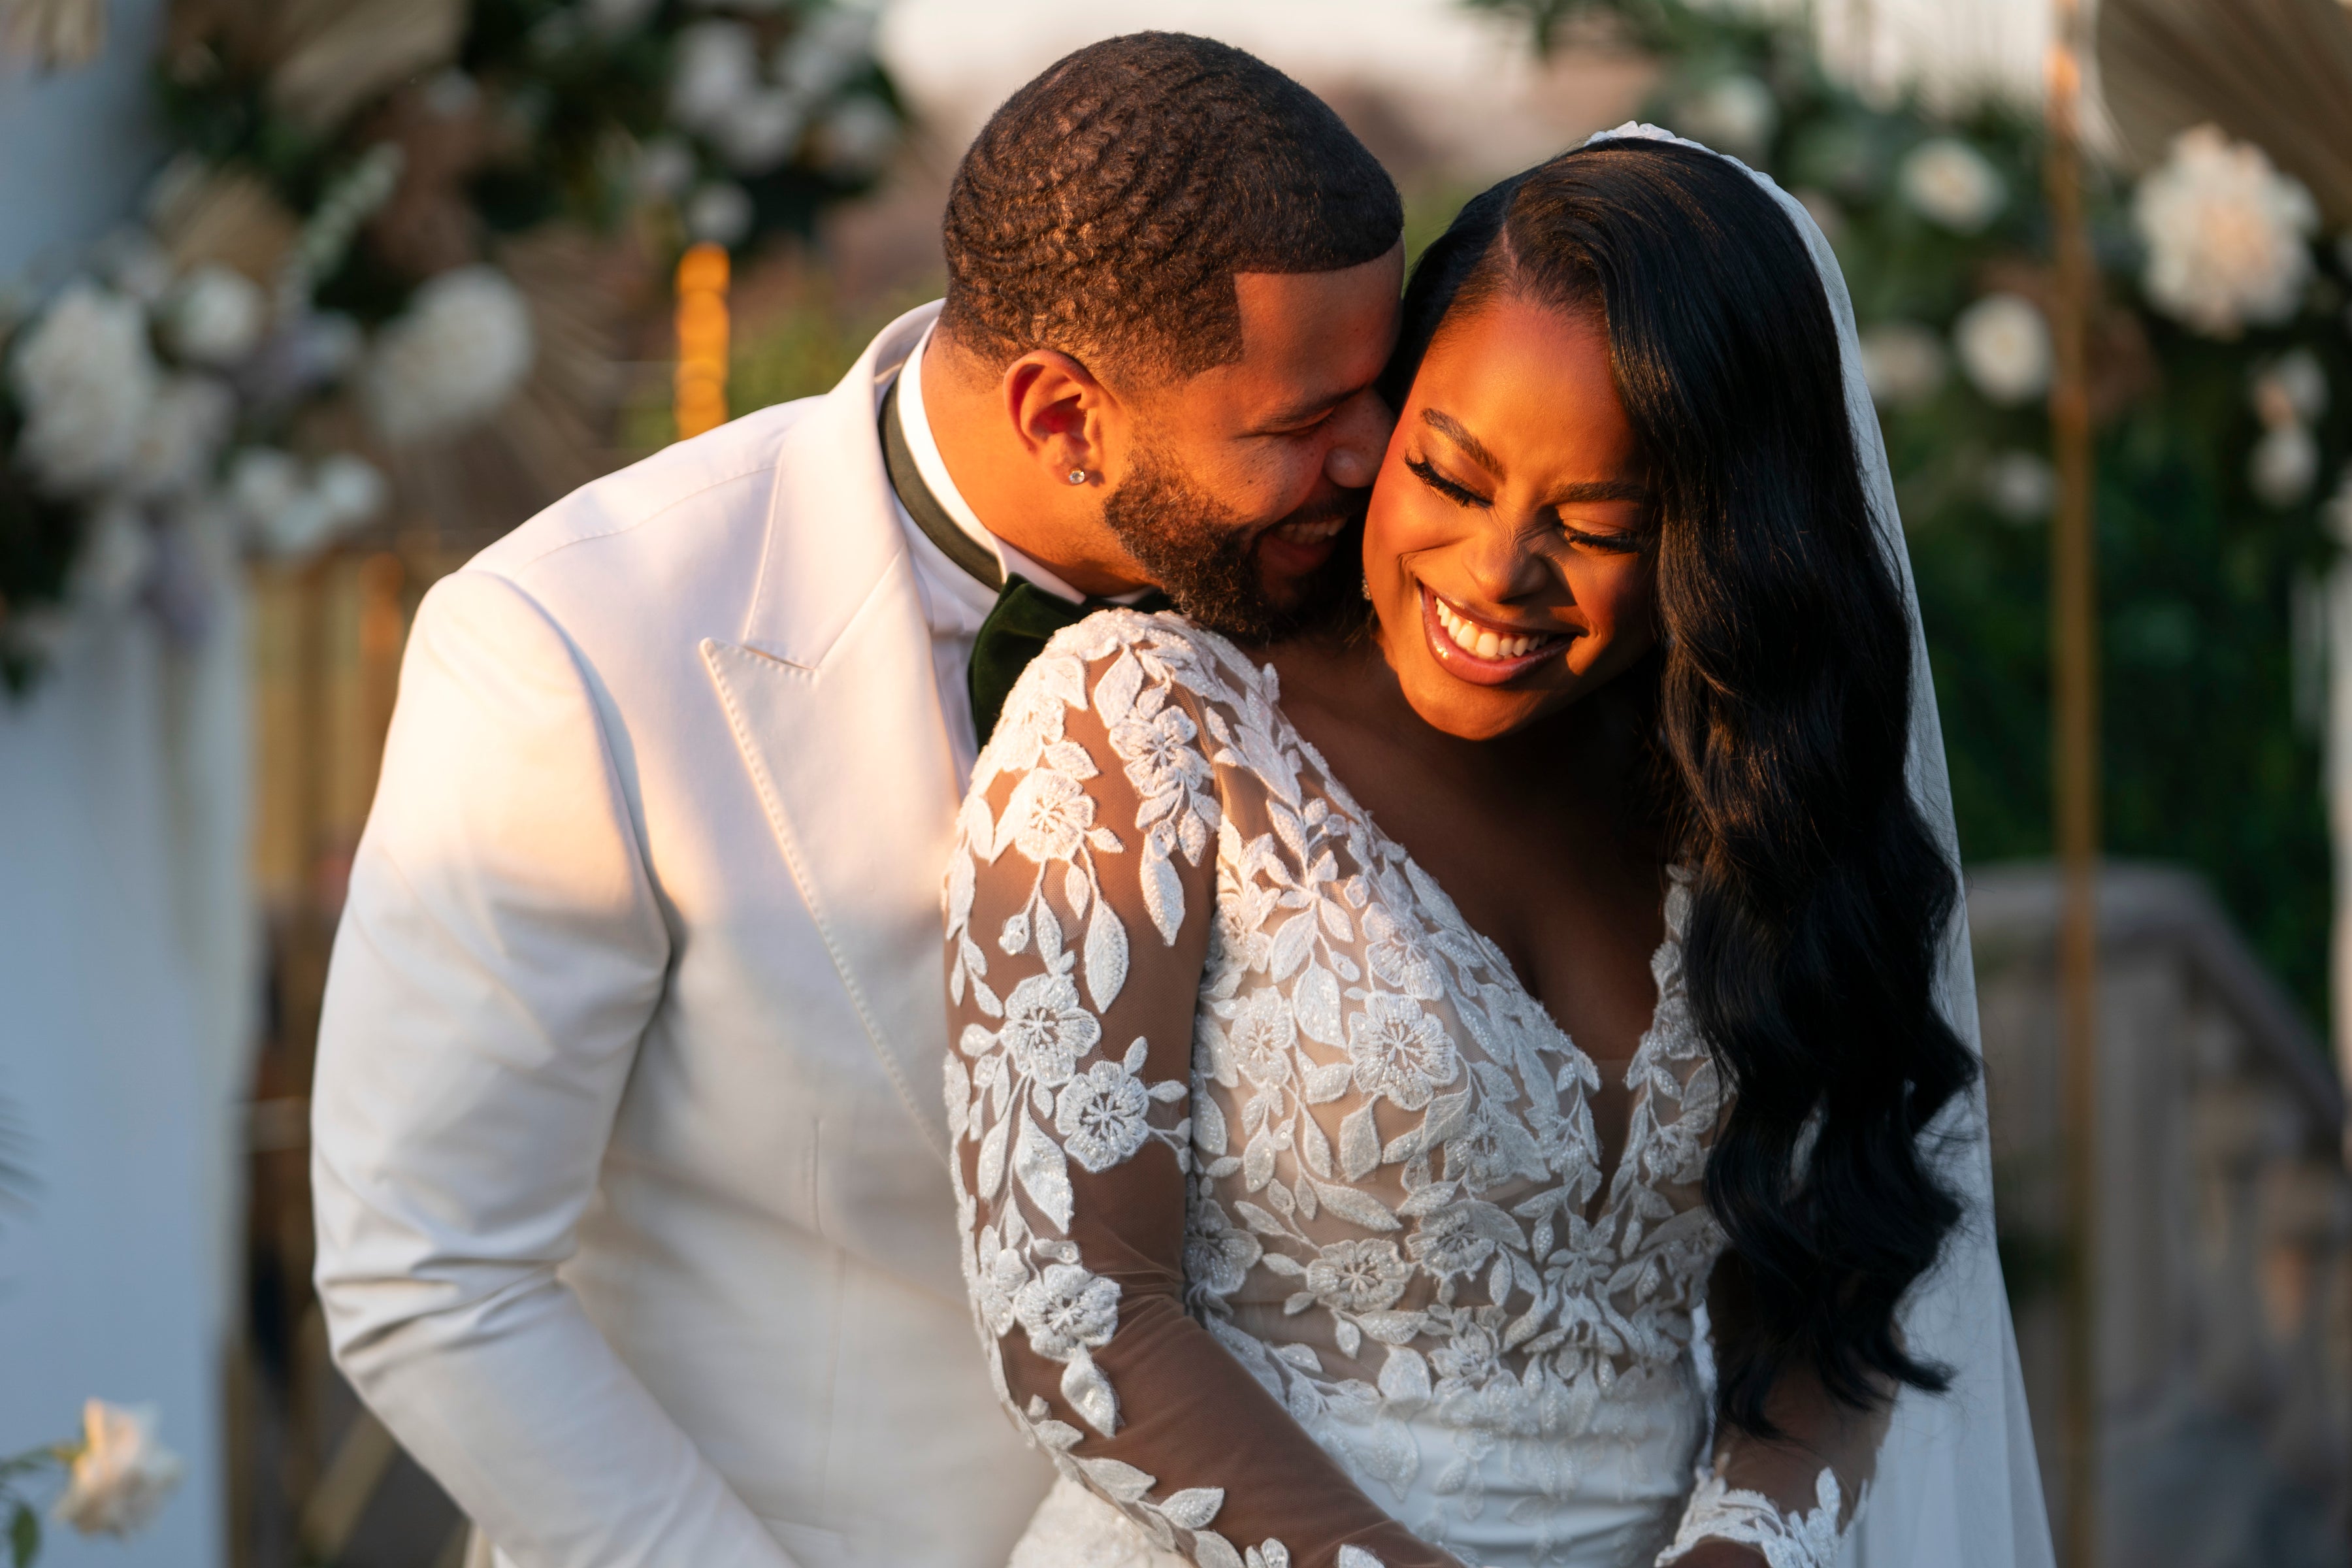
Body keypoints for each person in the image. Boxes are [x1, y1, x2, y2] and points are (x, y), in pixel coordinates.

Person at [308, 34, 1403, 1568]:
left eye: (1380, 393)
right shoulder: (574, 647)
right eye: (1299, 428)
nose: (1373, 465)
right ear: (1063, 417)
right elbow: (428, 1275)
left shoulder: (1387, 599)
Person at [944, 130, 2053, 1568]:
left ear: (1715, 550)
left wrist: (1744, 1548)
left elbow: (1839, 1271)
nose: (1493, 575)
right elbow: (1072, 1311)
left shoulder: (1745, 802)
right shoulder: (1149, 729)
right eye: (1451, 480)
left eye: (1596, 525)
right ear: (1382, 423)